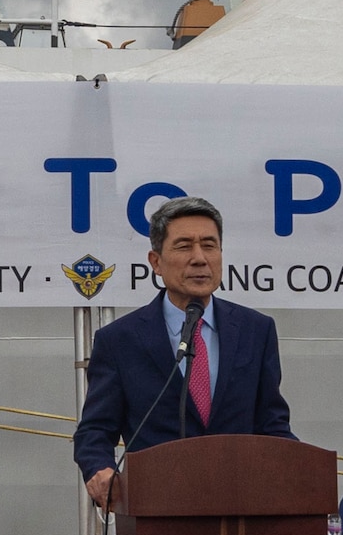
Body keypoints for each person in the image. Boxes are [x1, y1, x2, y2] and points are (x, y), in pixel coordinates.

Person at [74, 196, 294, 507]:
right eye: (184, 246)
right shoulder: (119, 339)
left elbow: (272, 424)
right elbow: (95, 430)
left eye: (209, 245)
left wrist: (299, 470)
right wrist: (100, 470)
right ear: (156, 262)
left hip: (241, 511)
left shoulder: (256, 330)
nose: (199, 258)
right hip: (156, 515)